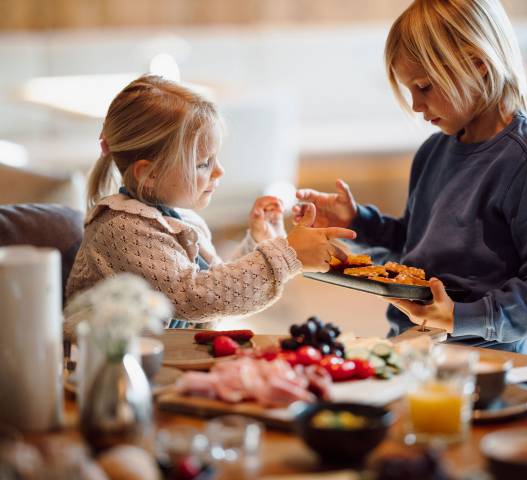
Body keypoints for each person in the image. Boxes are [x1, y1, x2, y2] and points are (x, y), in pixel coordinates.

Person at [294, 0, 527, 354]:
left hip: (490, 366)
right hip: (417, 354)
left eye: (424, 87)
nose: (416, 106)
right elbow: (416, 251)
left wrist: (460, 316)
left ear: (478, 65)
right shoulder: (433, 152)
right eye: (410, 91)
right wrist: (358, 223)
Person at [65, 75, 355, 336]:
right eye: (204, 163)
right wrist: (287, 254)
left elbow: (216, 284)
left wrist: (259, 244)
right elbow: (195, 298)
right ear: (149, 174)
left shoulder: (181, 221)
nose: (219, 171)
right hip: (108, 372)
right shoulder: (122, 228)